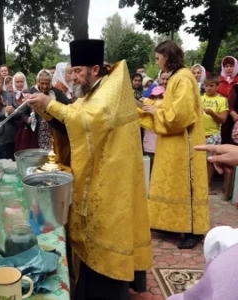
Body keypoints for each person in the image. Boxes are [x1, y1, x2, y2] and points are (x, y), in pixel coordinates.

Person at [28, 39, 152, 300]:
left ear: (95, 69)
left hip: (111, 181)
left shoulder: (109, 90)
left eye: (77, 71)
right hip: (98, 174)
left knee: (105, 235)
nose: (72, 77)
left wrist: (50, 104)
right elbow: (72, 118)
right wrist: (45, 110)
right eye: (72, 71)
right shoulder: (94, 90)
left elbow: (86, 120)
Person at [138, 40, 209, 249]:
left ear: (167, 57)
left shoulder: (184, 78)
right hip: (173, 143)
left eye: (158, 58)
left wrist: (156, 111)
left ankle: (194, 231)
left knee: (185, 185)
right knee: (171, 183)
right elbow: (171, 105)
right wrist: (150, 105)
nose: (157, 62)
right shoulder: (179, 77)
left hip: (185, 145)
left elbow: (181, 115)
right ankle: (169, 222)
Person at [201, 73, 228, 194]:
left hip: (213, 135)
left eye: (211, 85)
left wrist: (212, 113)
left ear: (217, 86)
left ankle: (207, 186)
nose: (208, 88)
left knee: (210, 161)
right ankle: (197, 186)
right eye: (206, 86)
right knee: (197, 160)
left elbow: (223, 119)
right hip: (199, 134)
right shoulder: (200, 98)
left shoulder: (222, 100)